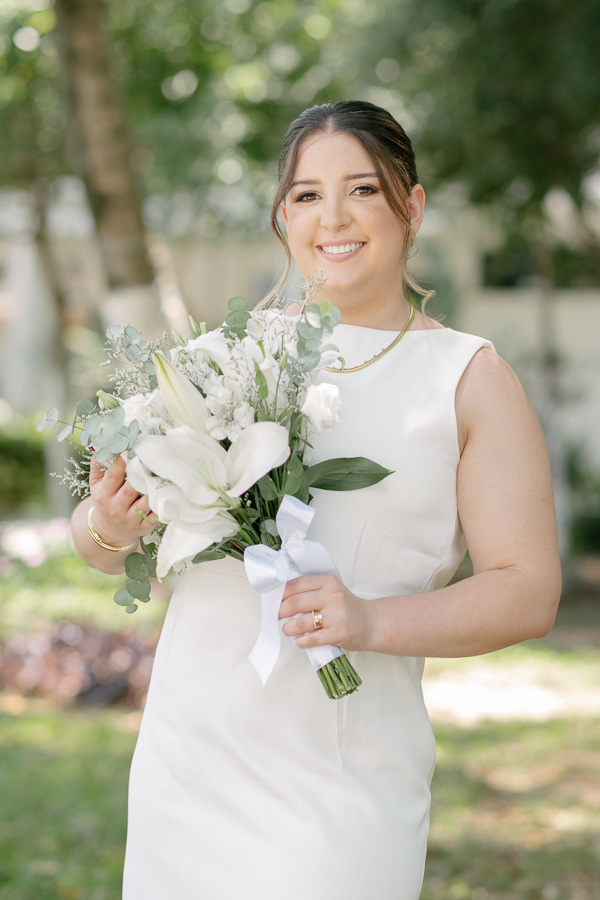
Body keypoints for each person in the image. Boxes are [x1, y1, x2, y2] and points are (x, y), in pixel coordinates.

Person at [71, 100, 561, 900]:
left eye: (363, 190)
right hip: (190, 768)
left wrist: (368, 620)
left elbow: (528, 590)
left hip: (345, 781)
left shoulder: (468, 380)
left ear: (412, 206)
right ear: (282, 216)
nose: (332, 217)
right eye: (305, 195)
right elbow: (97, 547)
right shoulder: (212, 362)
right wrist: (108, 523)